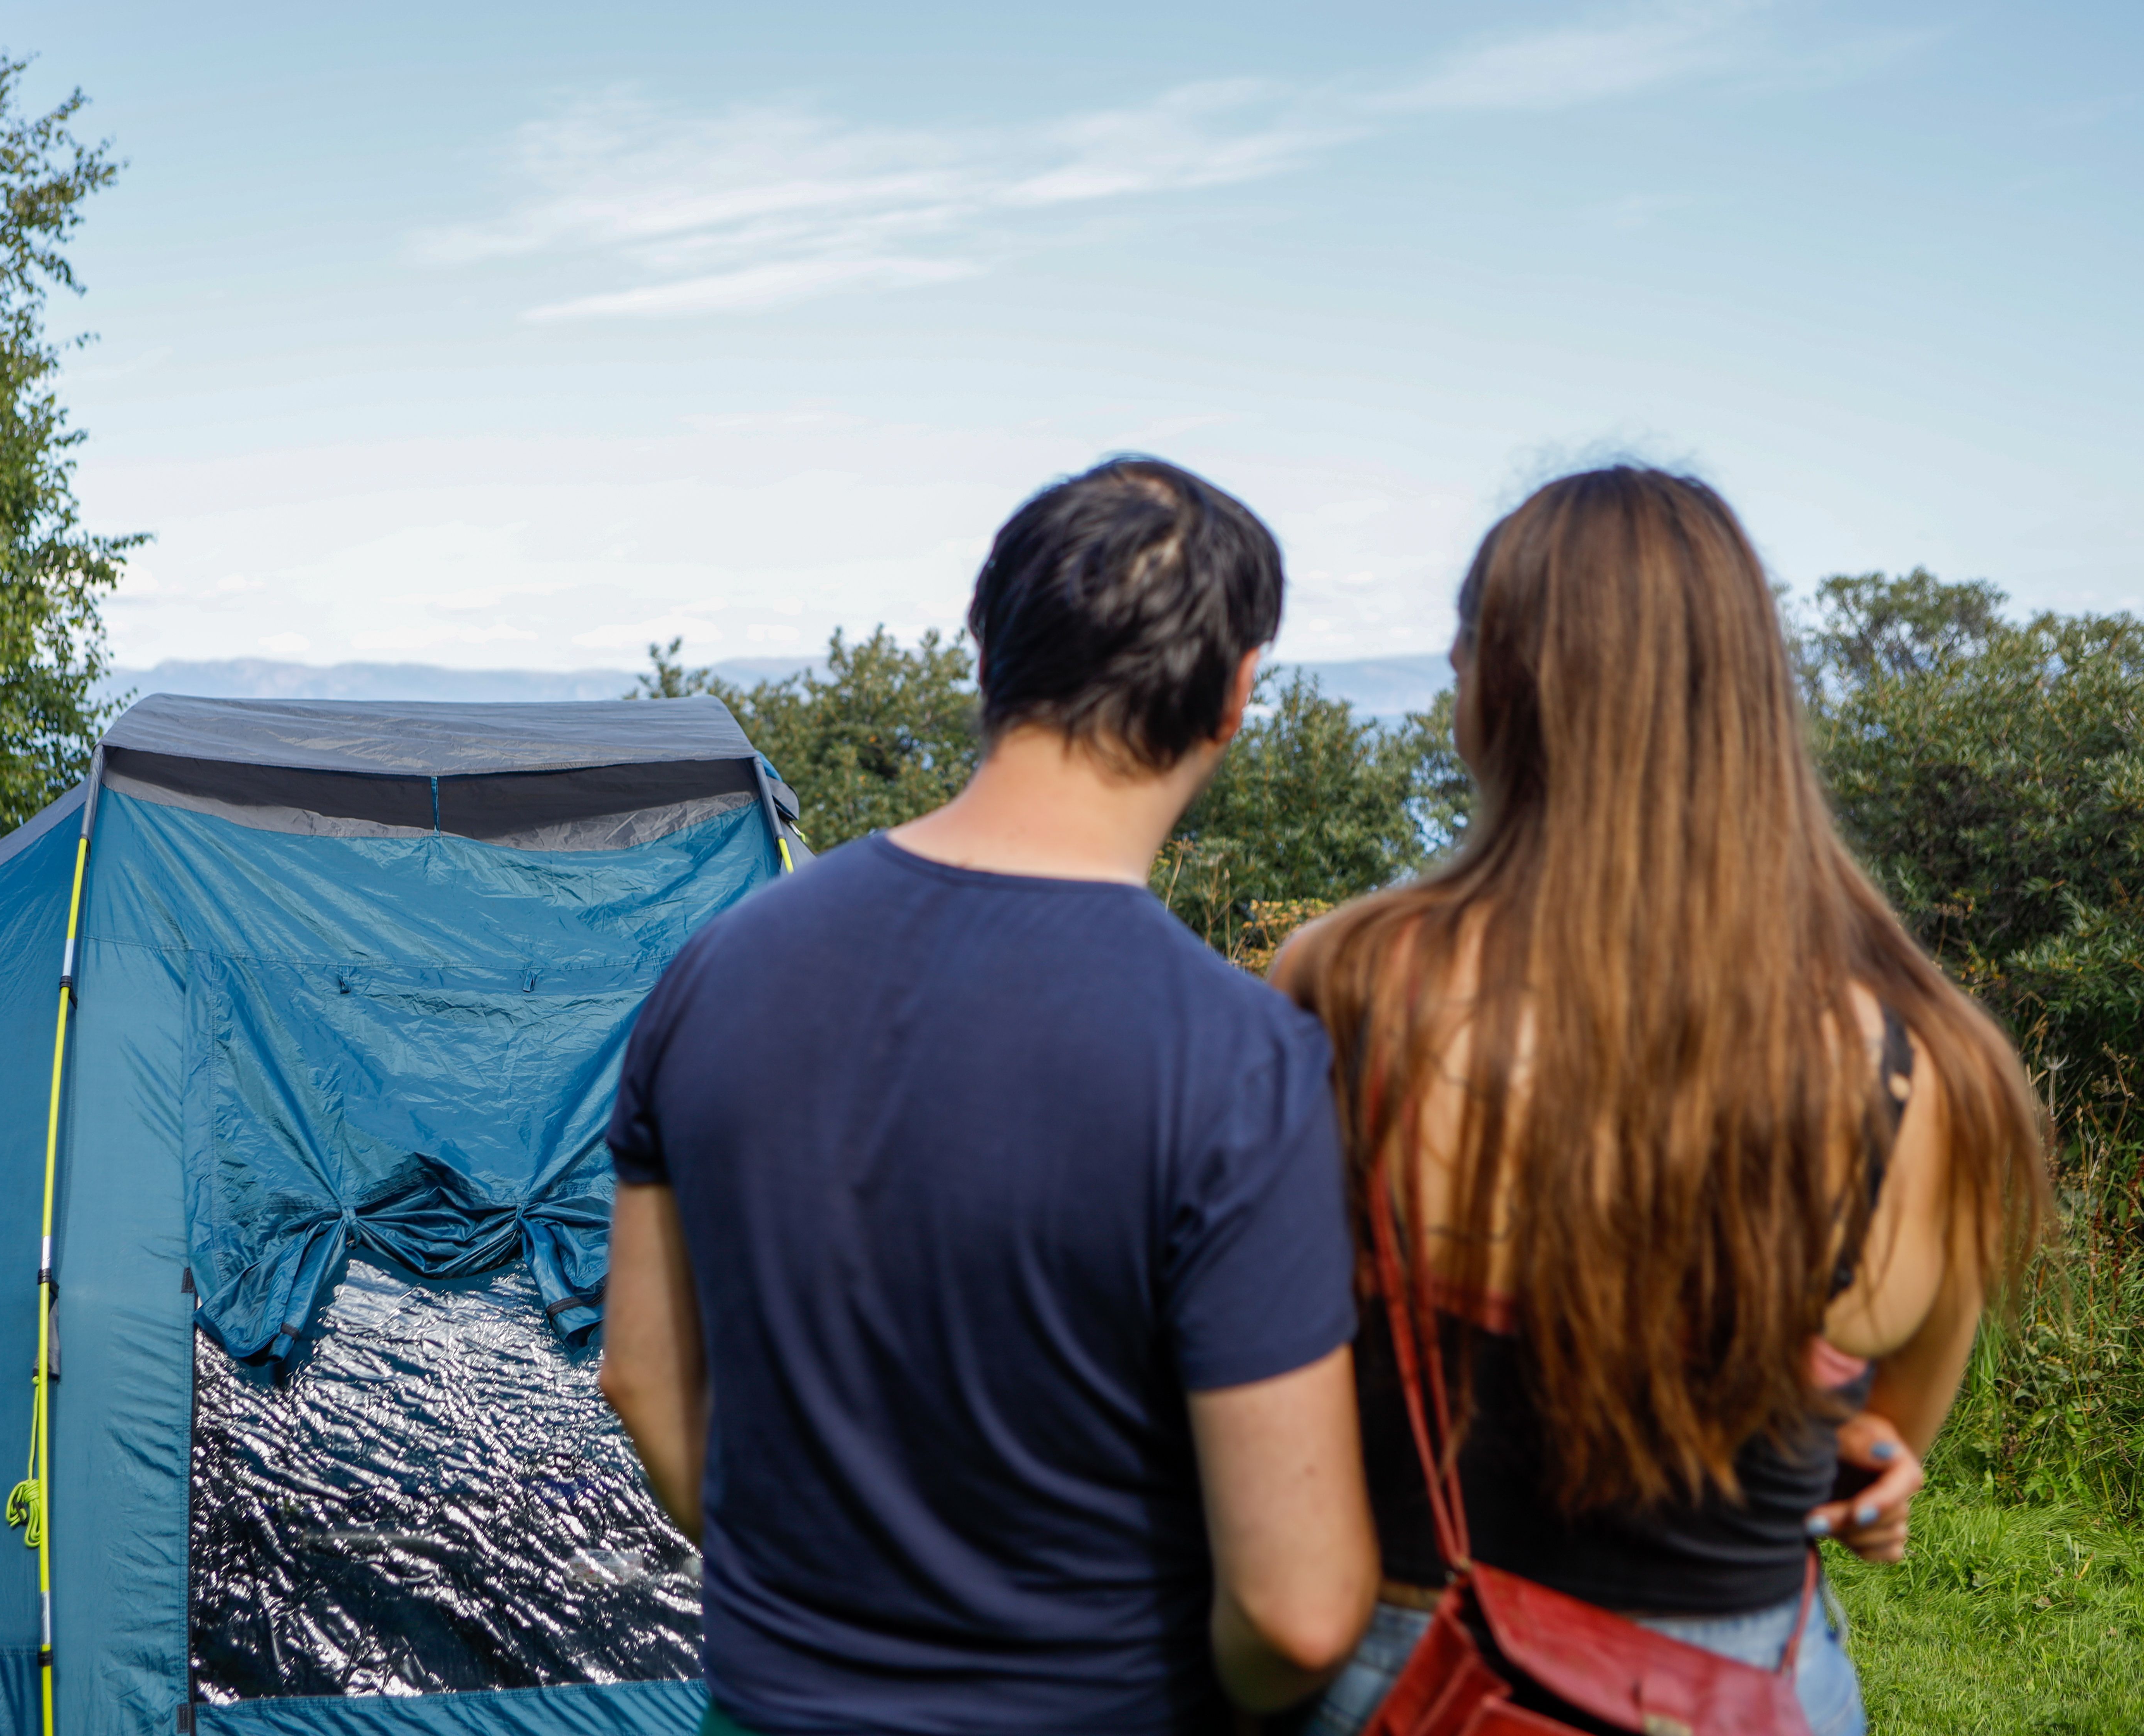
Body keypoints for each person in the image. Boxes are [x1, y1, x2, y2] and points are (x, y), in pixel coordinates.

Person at [599, 457, 1379, 1735]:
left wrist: (807, 1611)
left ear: (984, 650)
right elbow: (1295, 1613)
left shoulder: (714, 971)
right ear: (1238, 693)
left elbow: (640, 1377)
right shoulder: (1238, 1058)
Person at [1273, 468, 2051, 1736]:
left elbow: (1265, 1363)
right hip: (1752, 1689)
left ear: (1496, 687)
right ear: (1752, 698)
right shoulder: (1934, 1072)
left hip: (1412, 1667)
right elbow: (1873, 1447)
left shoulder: (1353, 984)